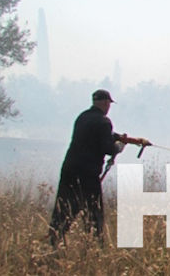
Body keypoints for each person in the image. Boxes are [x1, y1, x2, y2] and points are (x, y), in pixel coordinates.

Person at [48, 89, 139, 247]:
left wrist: (121, 138)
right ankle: (95, 247)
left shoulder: (82, 117)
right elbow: (108, 148)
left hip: (69, 171)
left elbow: (97, 135)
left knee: (63, 210)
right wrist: (120, 145)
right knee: (93, 215)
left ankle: (53, 242)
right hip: (87, 176)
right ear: (105, 103)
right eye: (109, 104)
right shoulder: (104, 122)